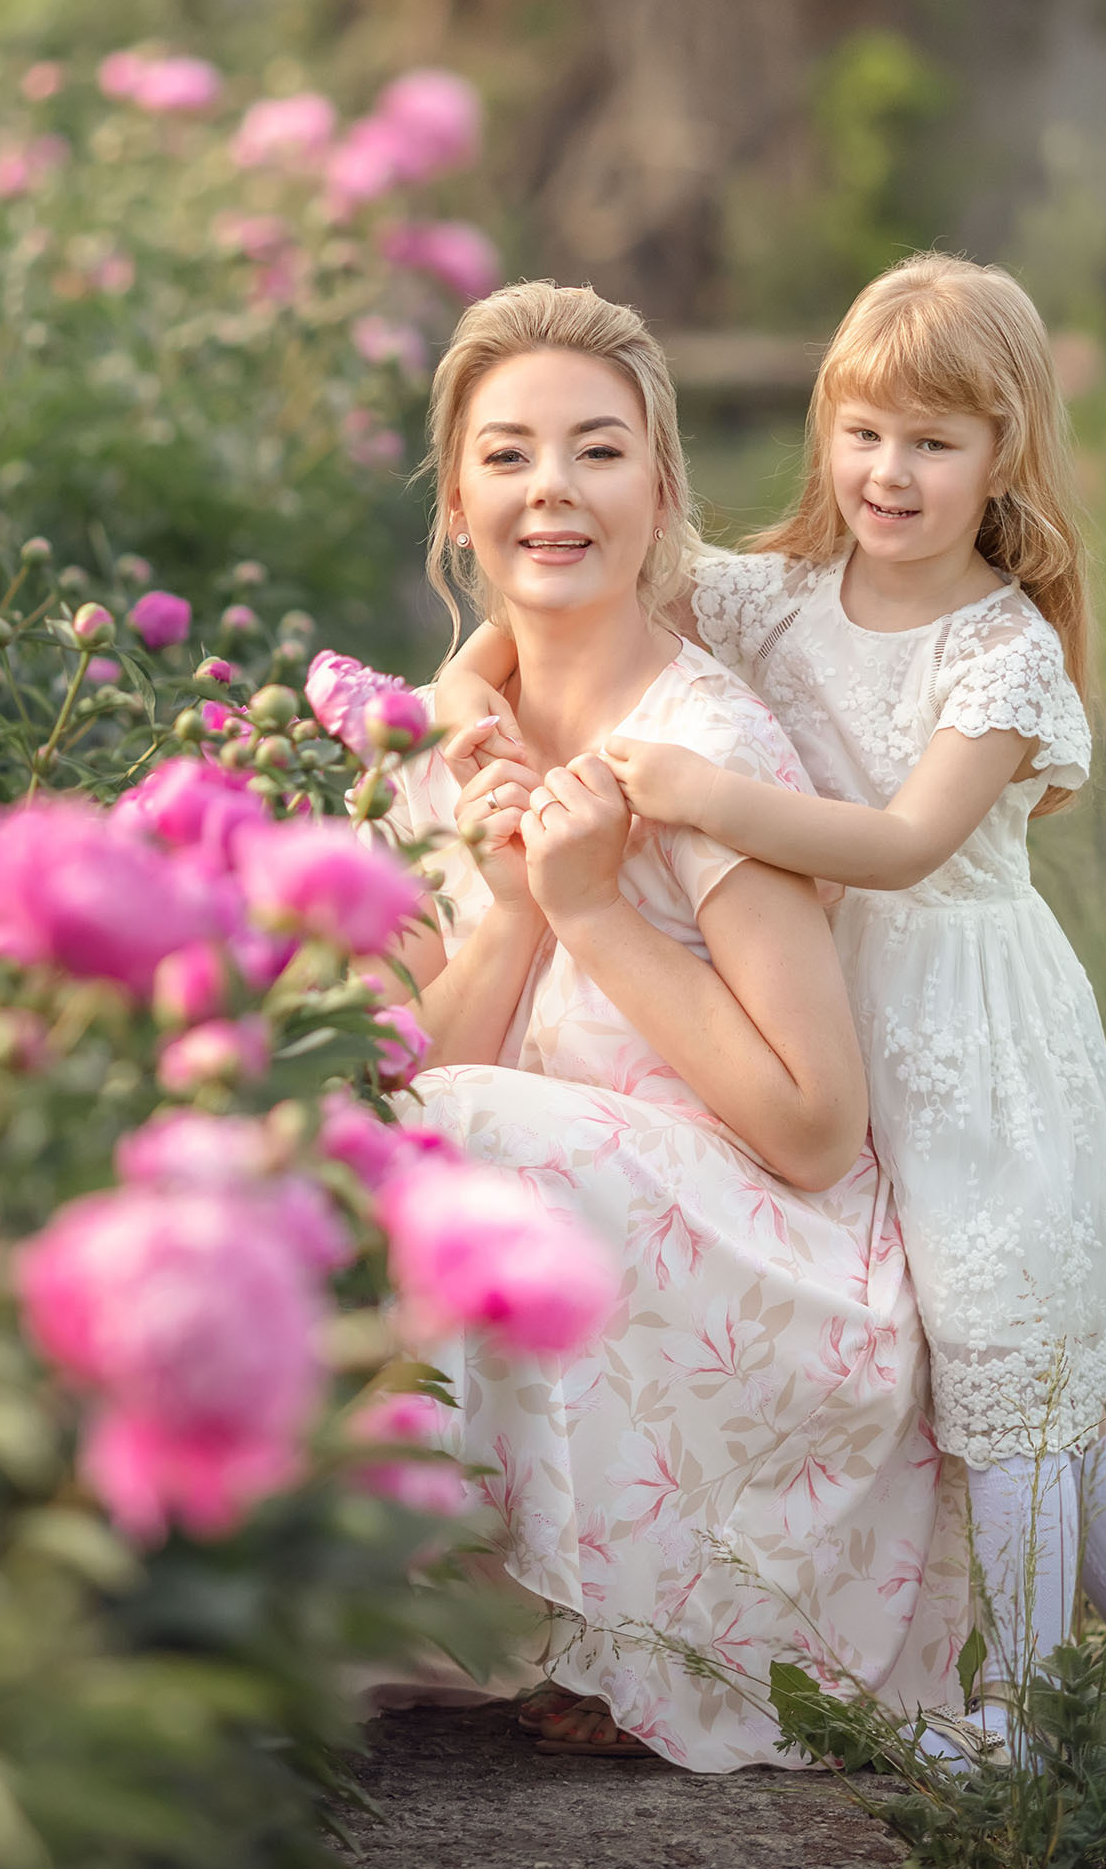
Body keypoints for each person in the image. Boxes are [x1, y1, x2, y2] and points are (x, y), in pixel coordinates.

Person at [437, 253, 1106, 1757]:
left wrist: (709, 798)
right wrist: (465, 711)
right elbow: (535, 602)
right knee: (996, 1371)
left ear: (1006, 458)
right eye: (862, 433)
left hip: (966, 1028)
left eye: (932, 441)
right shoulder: (777, 593)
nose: (889, 474)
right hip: (835, 1000)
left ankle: (1024, 1716)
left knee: (1013, 1360)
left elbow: (911, 846)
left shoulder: (1000, 648)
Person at [386, 277, 970, 1772]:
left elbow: (812, 1128)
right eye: (509, 454)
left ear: (660, 486)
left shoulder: (705, 747)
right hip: (590, 1248)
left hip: (768, 1282)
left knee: (457, 1136)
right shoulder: (449, 740)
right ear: (457, 498)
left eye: (597, 449)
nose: (553, 492)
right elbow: (420, 1084)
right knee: (369, 1135)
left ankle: (636, 1625)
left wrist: (594, 914)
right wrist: (519, 902)